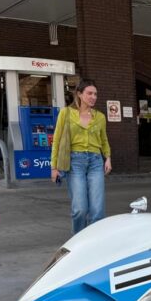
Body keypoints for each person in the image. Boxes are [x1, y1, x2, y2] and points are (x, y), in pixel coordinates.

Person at [50, 79, 112, 234]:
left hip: (96, 162)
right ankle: (78, 241)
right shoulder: (66, 113)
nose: (93, 97)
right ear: (79, 94)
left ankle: (94, 243)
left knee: (97, 210)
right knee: (80, 209)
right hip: (75, 162)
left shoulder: (100, 117)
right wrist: (54, 167)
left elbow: (104, 140)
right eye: (89, 93)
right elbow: (57, 140)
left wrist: (108, 158)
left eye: (95, 94)